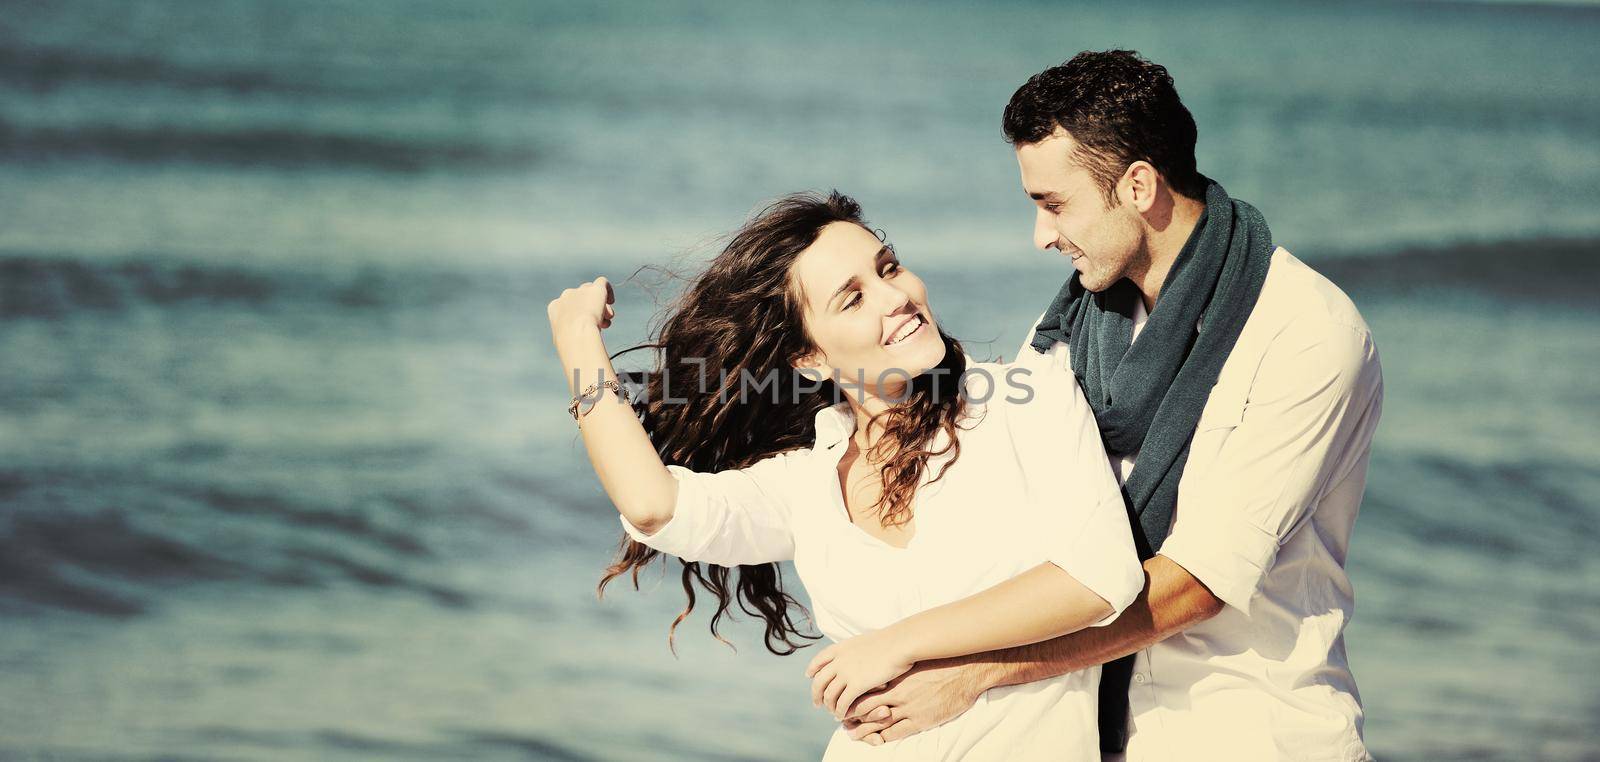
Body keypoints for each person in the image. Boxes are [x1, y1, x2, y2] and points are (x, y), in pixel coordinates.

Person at [836, 51, 1384, 762]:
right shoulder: (1077, 321)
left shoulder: (1304, 330)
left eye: (1054, 205)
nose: (1041, 236)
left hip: (1245, 730)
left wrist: (971, 674)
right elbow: (1000, 485)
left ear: (1138, 185)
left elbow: (1195, 585)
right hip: (1086, 731)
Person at [546, 191, 1144, 760]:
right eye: (852, 298)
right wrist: (578, 344)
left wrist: (897, 644)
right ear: (809, 358)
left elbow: (1098, 577)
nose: (896, 297)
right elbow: (655, 506)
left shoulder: (1023, 398)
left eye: (889, 268)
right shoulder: (806, 483)